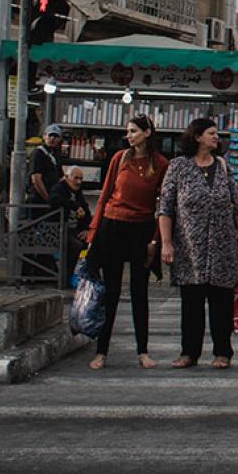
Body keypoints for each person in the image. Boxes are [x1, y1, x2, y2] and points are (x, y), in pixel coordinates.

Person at [158, 118, 238, 370]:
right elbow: (165, 207)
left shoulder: (222, 166)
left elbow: (237, 205)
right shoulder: (178, 167)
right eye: (211, 133)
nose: (216, 137)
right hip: (189, 247)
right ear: (197, 137)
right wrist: (166, 242)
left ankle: (222, 352)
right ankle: (189, 352)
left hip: (222, 247)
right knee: (191, 303)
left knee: (221, 302)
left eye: (216, 133)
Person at [85, 116, 168, 371]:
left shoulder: (160, 164)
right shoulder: (120, 158)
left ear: (147, 132)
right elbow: (105, 195)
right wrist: (92, 234)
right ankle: (101, 351)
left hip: (141, 229)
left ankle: (142, 351)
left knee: (139, 292)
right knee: (110, 292)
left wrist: (156, 239)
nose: (129, 136)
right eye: (127, 132)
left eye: (133, 131)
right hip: (113, 225)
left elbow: (163, 205)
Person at [48, 166, 91, 278]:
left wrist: (87, 229)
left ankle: (87, 275)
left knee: (94, 243)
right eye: (76, 178)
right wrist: (74, 206)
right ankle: (67, 276)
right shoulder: (59, 189)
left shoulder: (78, 193)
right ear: (67, 177)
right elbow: (54, 199)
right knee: (76, 246)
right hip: (59, 229)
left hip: (75, 229)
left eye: (81, 179)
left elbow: (86, 211)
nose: (78, 182)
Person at [27, 123, 65, 205]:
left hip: (52, 195)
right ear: (44, 136)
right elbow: (36, 179)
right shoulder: (38, 153)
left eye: (56, 136)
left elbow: (61, 177)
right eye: (50, 135)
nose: (52, 139)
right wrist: (47, 198)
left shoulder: (56, 154)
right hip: (38, 199)